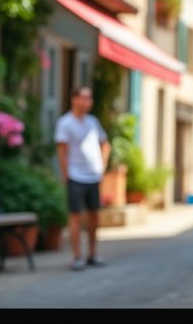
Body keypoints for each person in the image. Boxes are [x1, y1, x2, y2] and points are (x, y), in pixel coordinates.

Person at [55, 86, 111, 271]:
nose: (88, 102)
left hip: (92, 175)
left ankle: (93, 254)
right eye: (84, 98)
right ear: (74, 99)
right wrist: (66, 174)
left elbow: (105, 144)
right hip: (76, 176)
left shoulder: (92, 122)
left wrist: (101, 167)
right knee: (75, 216)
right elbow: (61, 152)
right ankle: (77, 256)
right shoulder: (65, 123)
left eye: (90, 98)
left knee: (94, 215)